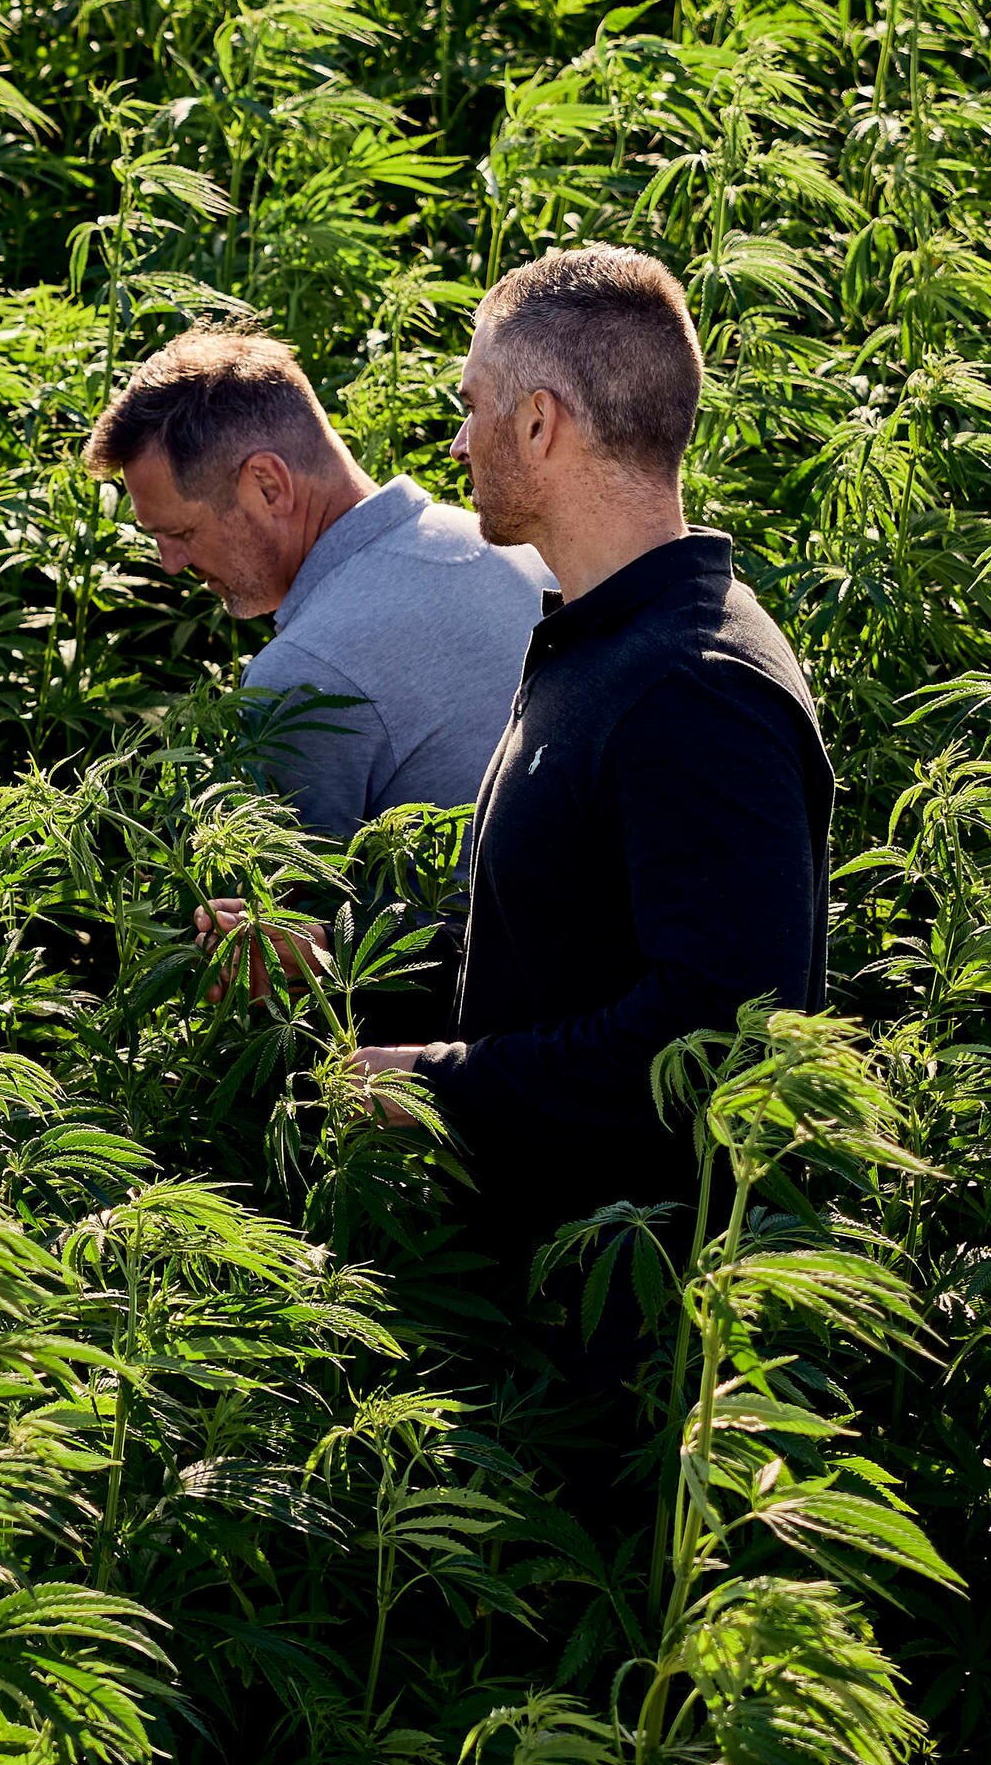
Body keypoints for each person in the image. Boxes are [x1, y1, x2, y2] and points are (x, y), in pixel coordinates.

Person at [345, 246, 832, 1267]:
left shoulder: (694, 685)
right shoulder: (601, 640)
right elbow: (561, 949)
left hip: (641, 1328)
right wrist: (346, 956)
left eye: (474, 403)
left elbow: (715, 1031)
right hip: (555, 1283)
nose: (459, 436)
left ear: (538, 420)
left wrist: (432, 1085)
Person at [84, 327, 550, 838]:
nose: (169, 563)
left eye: (180, 532)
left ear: (268, 484)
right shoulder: (521, 551)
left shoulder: (300, 674)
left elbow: (297, 910)